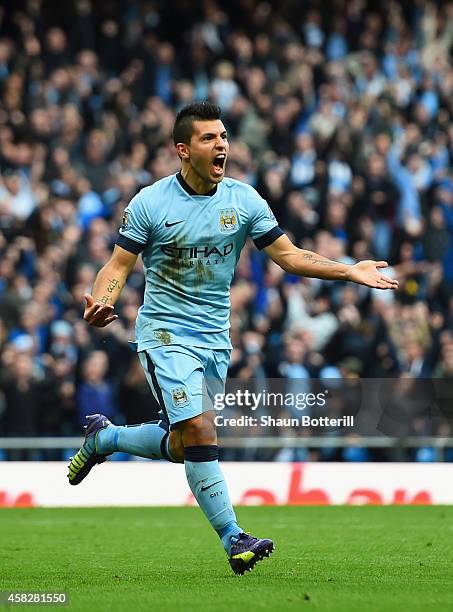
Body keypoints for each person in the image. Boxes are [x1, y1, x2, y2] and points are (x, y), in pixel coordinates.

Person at [67, 102, 398, 574]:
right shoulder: (151, 202)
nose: (222, 144)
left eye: (223, 136)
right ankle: (234, 538)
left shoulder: (244, 200)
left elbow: (289, 255)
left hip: (215, 339)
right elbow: (117, 266)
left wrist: (349, 271)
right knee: (201, 430)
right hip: (165, 335)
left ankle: (106, 438)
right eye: (209, 138)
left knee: (184, 444)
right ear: (183, 150)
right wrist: (103, 300)